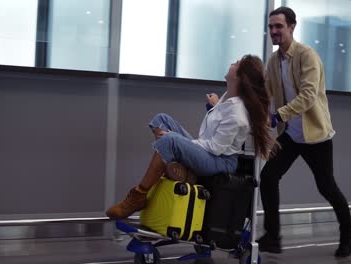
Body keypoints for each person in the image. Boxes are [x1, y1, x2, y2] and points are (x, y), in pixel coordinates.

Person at [106, 55, 274, 220]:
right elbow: (221, 122)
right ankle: (186, 171)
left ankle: (138, 195)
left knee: (169, 140)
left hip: (219, 161)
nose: (232, 62)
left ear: (239, 77)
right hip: (208, 151)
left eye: (237, 63)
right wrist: (215, 106)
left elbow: (216, 148)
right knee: (161, 120)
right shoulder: (229, 98)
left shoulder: (237, 114)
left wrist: (181, 141)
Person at [257, 7, 351, 258]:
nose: (274, 31)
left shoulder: (307, 56)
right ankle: (273, 237)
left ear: (292, 27)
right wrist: (254, 111)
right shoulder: (273, 61)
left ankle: (350, 231)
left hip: (315, 136)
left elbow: (308, 96)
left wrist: (278, 115)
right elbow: (267, 91)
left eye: (279, 26)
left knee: (326, 187)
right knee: (269, 177)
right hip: (292, 135)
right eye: (271, 27)